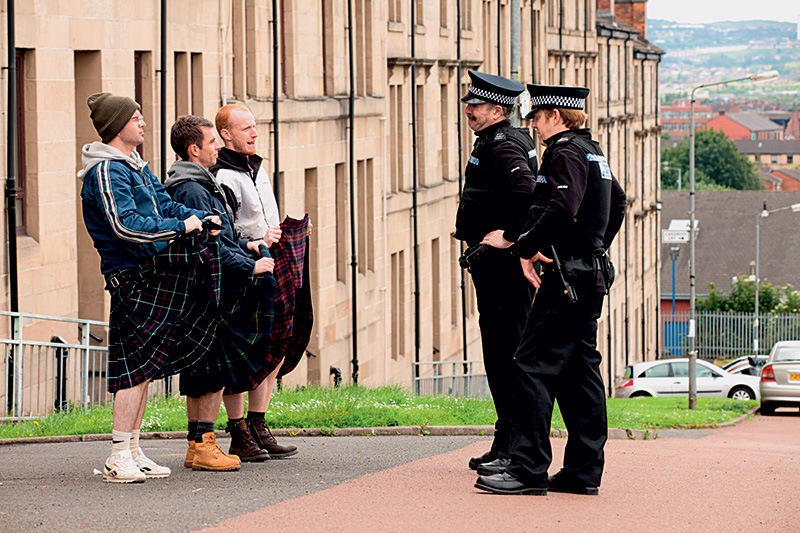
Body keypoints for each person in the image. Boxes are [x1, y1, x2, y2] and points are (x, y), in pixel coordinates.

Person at [475, 84, 626, 496]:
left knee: (530, 364)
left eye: (538, 119)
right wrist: (594, 247)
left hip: (566, 278)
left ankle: (527, 469)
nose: (535, 128)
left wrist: (525, 245)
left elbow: (561, 207)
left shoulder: (564, 151)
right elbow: (619, 204)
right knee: (580, 372)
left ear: (557, 115)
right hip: (588, 273)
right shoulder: (594, 151)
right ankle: (582, 471)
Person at [78, 93, 223, 483]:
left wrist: (198, 217)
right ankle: (117, 454)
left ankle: (134, 450)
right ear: (116, 126)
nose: (142, 121)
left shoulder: (135, 166)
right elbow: (124, 225)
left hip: (150, 274)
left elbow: (164, 205)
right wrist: (181, 227)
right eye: (135, 116)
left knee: (142, 370)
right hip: (131, 277)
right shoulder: (107, 171)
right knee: (133, 371)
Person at [164, 115, 282, 469]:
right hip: (206, 288)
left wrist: (246, 245)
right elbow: (207, 243)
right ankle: (202, 444)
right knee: (209, 370)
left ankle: (201, 443)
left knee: (205, 370)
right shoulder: (192, 188)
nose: (218, 147)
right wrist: (249, 264)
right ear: (194, 149)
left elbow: (222, 237)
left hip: (209, 283)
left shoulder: (199, 182)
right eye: (212, 142)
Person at [453, 70, 538, 474]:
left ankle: (514, 447)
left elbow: (527, 191)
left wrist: (507, 234)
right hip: (495, 268)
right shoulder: (498, 140)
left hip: (504, 269)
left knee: (507, 356)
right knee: (501, 354)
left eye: (478, 105)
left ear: (499, 109)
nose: (469, 110)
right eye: (469, 104)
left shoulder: (503, 146)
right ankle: (505, 439)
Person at [210, 104, 304, 459]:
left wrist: (287, 229)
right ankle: (238, 431)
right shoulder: (222, 177)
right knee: (242, 350)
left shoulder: (257, 167)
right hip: (243, 264)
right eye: (245, 128)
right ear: (226, 134)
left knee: (275, 342)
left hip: (271, 258)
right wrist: (256, 235)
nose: (254, 133)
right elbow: (225, 229)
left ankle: (259, 423)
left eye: (254, 126)